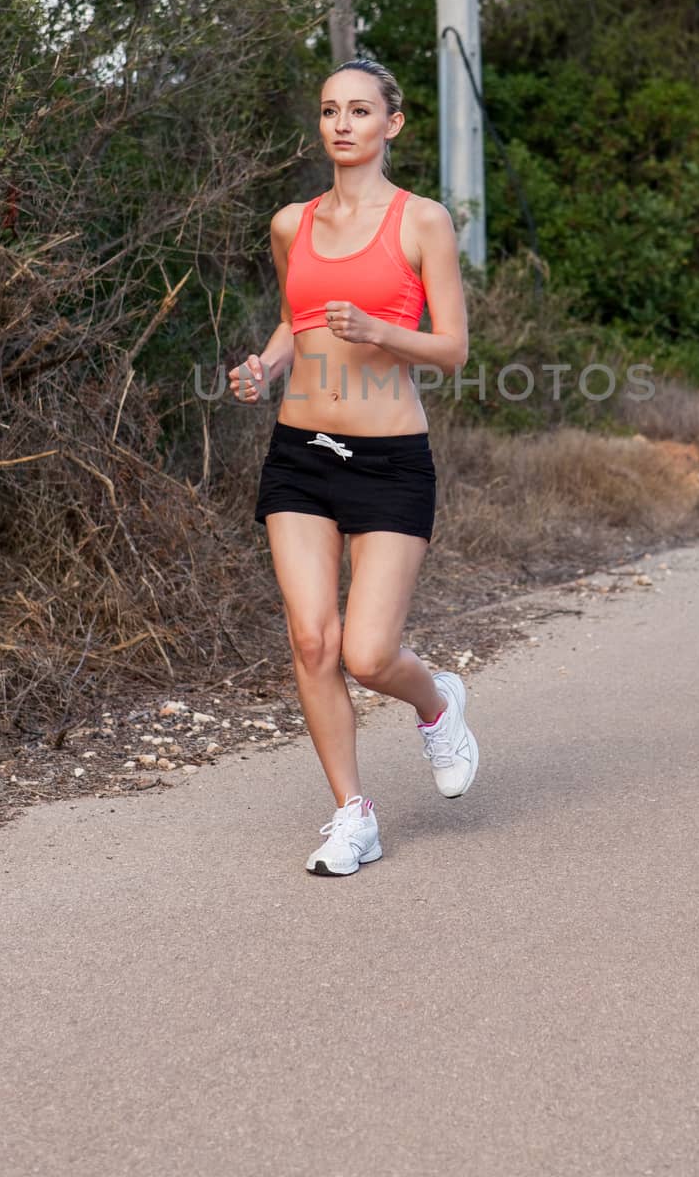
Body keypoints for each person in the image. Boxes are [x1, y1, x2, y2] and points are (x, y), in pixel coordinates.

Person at [228, 56, 479, 876]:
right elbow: (294, 321)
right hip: (299, 454)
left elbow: (451, 350)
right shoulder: (291, 223)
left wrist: (381, 330)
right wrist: (263, 369)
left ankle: (437, 706)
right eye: (330, 110)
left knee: (368, 655)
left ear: (391, 125)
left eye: (360, 111)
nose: (342, 123)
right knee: (312, 641)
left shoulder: (422, 221)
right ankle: (352, 815)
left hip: (389, 461)